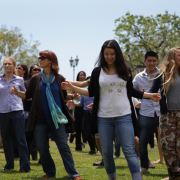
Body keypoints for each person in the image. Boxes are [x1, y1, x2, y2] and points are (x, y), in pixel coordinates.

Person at [61, 40, 161, 180]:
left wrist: (150, 95)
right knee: (107, 154)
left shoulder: (125, 69)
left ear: (117, 54)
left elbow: (131, 90)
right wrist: (71, 87)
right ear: (103, 54)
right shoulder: (97, 71)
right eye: (106, 54)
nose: (109, 57)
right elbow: (90, 92)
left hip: (124, 116)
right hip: (103, 118)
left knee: (129, 151)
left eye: (112, 54)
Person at [10, 50, 83, 179]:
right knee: (43, 149)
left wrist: (73, 95)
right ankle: (50, 172)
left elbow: (64, 96)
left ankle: (74, 174)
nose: (40, 59)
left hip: (57, 120)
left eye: (43, 57)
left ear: (50, 60)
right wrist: (16, 93)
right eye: (39, 57)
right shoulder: (35, 78)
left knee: (63, 147)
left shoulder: (59, 78)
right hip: (39, 120)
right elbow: (27, 95)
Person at [149, 47, 180, 180]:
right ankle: (173, 173)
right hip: (167, 116)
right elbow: (151, 91)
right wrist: (148, 96)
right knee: (168, 146)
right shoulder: (161, 75)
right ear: (172, 57)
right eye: (179, 55)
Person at [133, 51, 163, 172]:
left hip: (162, 112)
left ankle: (174, 166)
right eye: (149, 61)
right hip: (146, 112)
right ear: (145, 61)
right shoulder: (138, 77)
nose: (152, 63)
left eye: (154, 61)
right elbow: (130, 90)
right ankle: (144, 166)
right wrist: (139, 100)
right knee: (143, 141)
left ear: (157, 61)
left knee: (170, 140)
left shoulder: (163, 74)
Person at [0, 57, 30, 172]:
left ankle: (25, 166)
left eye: (9, 64)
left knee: (21, 138)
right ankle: (9, 164)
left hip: (17, 111)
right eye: (4, 64)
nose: (7, 66)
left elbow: (26, 95)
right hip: (3, 112)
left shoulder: (19, 80)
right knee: (6, 138)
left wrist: (17, 92)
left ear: (13, 65)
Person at [71, 77, 96, 155]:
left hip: (95, 113)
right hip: (86, 114)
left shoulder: (97, 92)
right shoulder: (83, 93)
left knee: (96, 133)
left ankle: (98, 148)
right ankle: (92, 150)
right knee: (88, 132)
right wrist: (73, 103)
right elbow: (80, 104)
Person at [73, 71, 87, 151]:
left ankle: (85, 142)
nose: (82, 76)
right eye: (80, 75)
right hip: (78, 107)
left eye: (83, 75)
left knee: (84, 127)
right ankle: (78, 146)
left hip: (86, 107)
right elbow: (71, 95)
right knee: (77, 127)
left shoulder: (87, 85)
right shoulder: (75, 85)